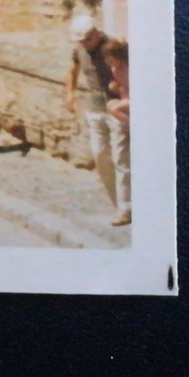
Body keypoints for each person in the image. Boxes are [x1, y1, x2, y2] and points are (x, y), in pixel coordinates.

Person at [66, 14, 130, 226]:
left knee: (121, 158)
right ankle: (117, 202)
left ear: (96, 33)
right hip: (94, 108)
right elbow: (71, 71)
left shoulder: (111, 46)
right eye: (81, 40)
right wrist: (70, 94)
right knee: (100, 155)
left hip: (115, 108)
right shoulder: (79, 50)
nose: (84, 44)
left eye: (87, 39)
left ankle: (125, 208)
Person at [102, 39, 130, 128]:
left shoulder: (127, 68)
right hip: (125, 97)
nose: (108, 60)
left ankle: (133, 126)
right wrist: (115, 87)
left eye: (110, 57)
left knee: (115, 109)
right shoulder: (114, 69)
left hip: (135, 98)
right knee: (110, 105)